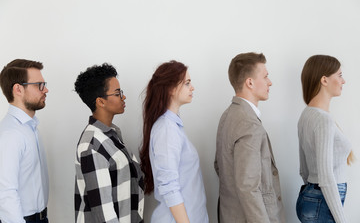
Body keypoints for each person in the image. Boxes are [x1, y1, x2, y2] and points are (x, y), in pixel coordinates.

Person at [215, 52, 285, 223]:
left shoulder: (227, 115)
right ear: (250, 82)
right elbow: (248, 187)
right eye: (266, 76)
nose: (270, 82)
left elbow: (219, 166)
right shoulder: (248, 124)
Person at [74, 63, 144, 223]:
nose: (123, 97)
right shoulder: (92, 145)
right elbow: (103, 211)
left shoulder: (111, 135)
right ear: (101, 101)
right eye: (118, 93)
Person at [140, 61, 209, 223]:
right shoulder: (166, 129)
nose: (192, 87)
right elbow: (169, 186)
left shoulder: (172, 126)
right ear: (171, 89)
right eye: (187, 83)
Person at [296, 55, 354, 223]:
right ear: (324, 80)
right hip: (324, 200)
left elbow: (304, 170)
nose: (343, 81)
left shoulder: (306, 114)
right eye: (340, 75)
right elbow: (327, 177)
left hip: (310, 197)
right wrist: (341, 219)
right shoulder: (323, 119)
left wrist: (313, 194)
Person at [0, 59, 49, 223]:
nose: (46, 90)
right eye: (39, 85)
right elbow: (5, 192)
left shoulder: (31, 127)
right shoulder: (10, 134)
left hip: (39, 218)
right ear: (18, 89)